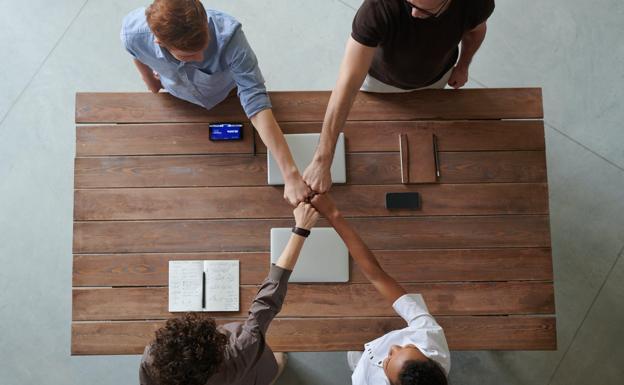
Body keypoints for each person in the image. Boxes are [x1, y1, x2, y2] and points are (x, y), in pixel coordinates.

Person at [121, 0, 310, 206]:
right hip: (179, 101)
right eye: (189, 55)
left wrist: (290, 174)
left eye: (204, 45)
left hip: (226, 94)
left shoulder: (230, 37)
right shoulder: (133, 33)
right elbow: (134, 51)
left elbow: (255, 98)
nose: (201, 57)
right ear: (159, 41)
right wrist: (150, 81)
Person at [303, 0, 495, 194]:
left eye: (422, 9)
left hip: (436, 77)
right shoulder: (377, 8)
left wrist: (463, 66)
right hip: (378, 82)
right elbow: (348, 83)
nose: (413, 13)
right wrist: (322, 159)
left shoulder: (476, 3)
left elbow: (476, 31)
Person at [138, 202, 320, 385]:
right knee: (272, 365)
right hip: (251, 373)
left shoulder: (152, 359)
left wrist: (301, 230)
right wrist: (301, 230)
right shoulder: (240, 350)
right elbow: (267, 300)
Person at [311, 194, 450, 385]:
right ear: (429, 358)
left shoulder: (364, 381)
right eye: (406, 346)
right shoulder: (428, 338)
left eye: (388, 360)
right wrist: (332, 214)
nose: (393, 347)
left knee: (356, 360)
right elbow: (376, 275)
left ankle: (363, 361)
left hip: (362, 366)